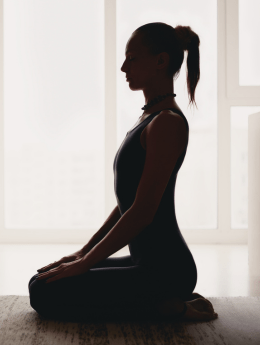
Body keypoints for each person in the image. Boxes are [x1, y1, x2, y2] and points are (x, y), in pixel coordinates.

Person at [28, 22, 218, 323]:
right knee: (42, 280)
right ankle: (159, 302)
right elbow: (128, 201)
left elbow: (142, 211)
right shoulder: (149, 119)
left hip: (167, 270)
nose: (123, 67)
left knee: (44, 293)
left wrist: (86, 263)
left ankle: (170, 306)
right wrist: (82, 254)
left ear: (160, 61)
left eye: (132, 57)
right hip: (146, 262)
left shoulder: (166, 122)